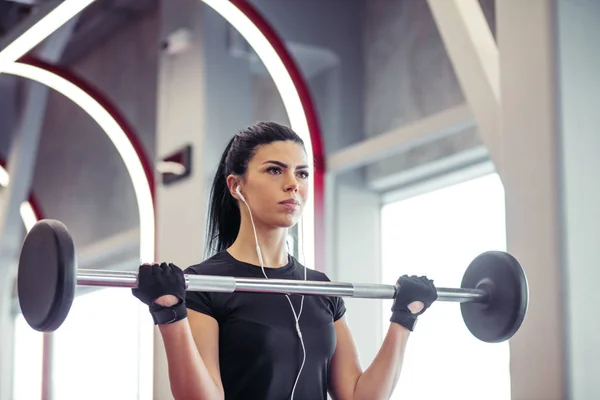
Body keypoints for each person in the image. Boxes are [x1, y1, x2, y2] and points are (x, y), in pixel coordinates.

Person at [132, 122, 438, 400]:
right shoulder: (206, 284)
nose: (293, 184)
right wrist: (169, 313)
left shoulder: (321, 289)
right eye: (275, 170)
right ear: (236, 186)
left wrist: (404, 317)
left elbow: (358, 396)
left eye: (301, 173)